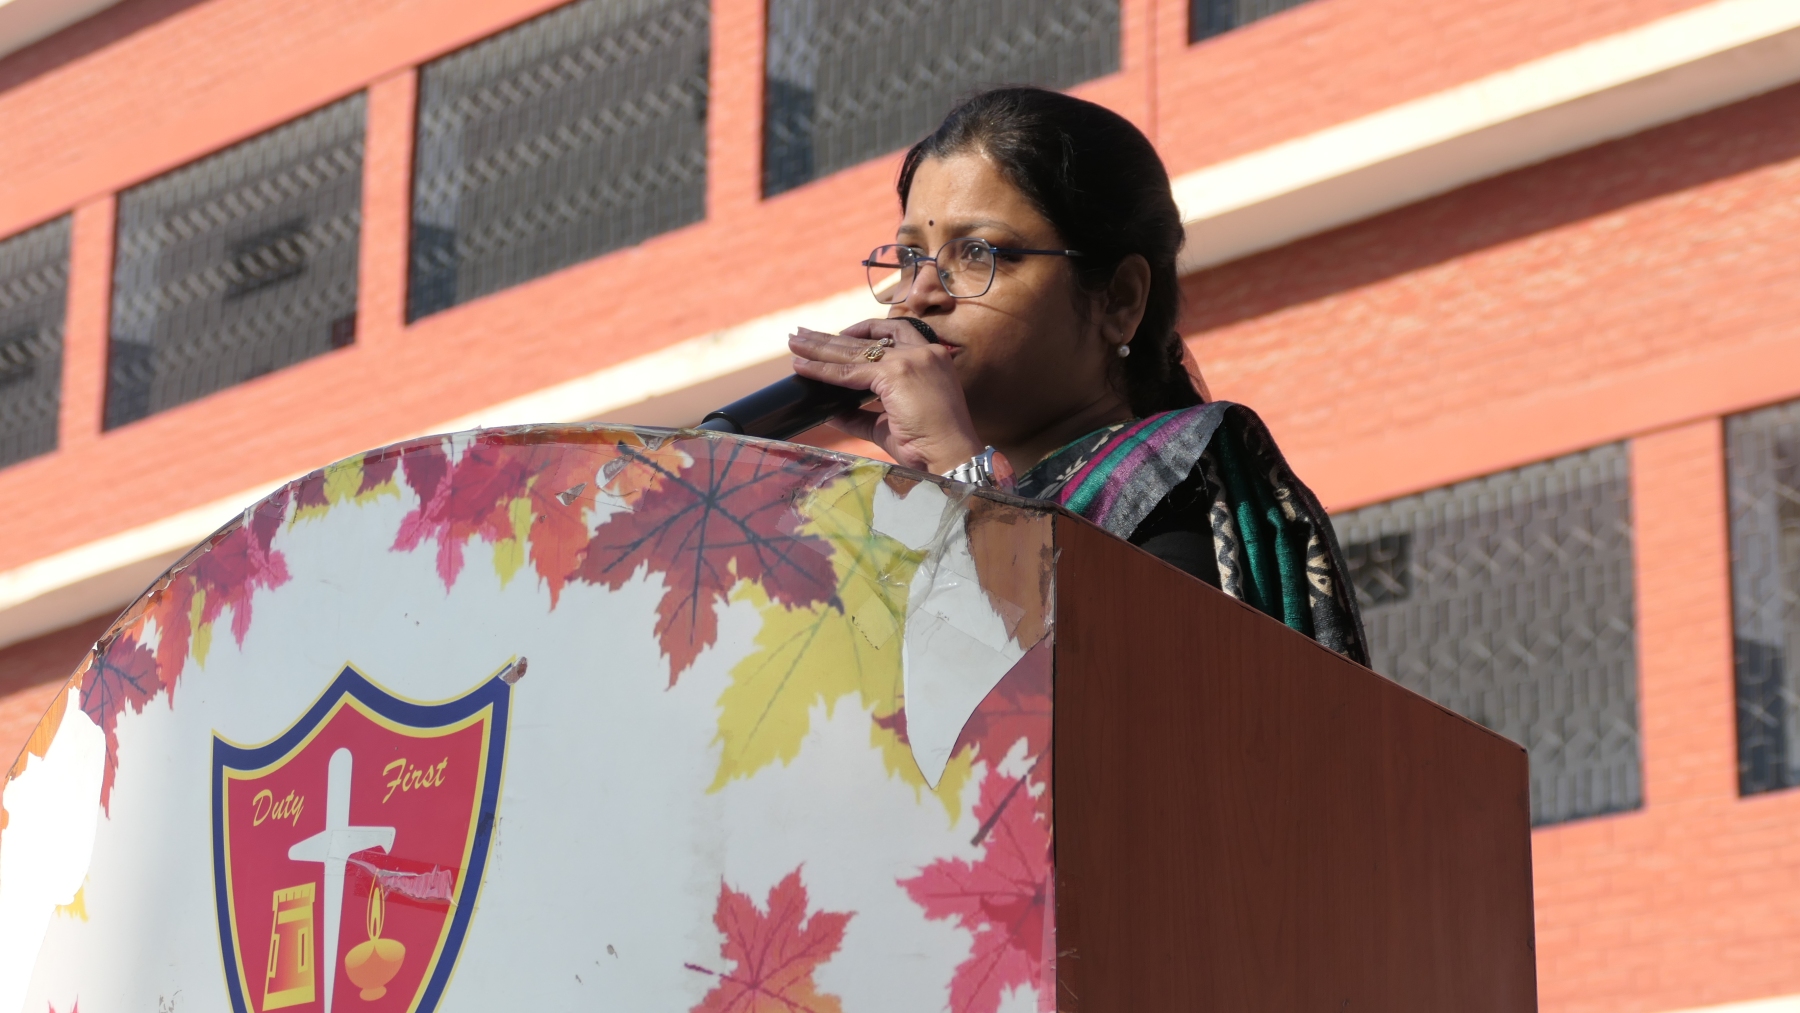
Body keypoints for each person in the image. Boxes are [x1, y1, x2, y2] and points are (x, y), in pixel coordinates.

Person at [788, 87, 1368, 664]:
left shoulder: (1179, 509)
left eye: (979, 253)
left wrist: (954, 466)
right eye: (910, 258)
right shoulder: (898, 524)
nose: (920, 294)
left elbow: (1065, 697)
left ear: (1118, 298)